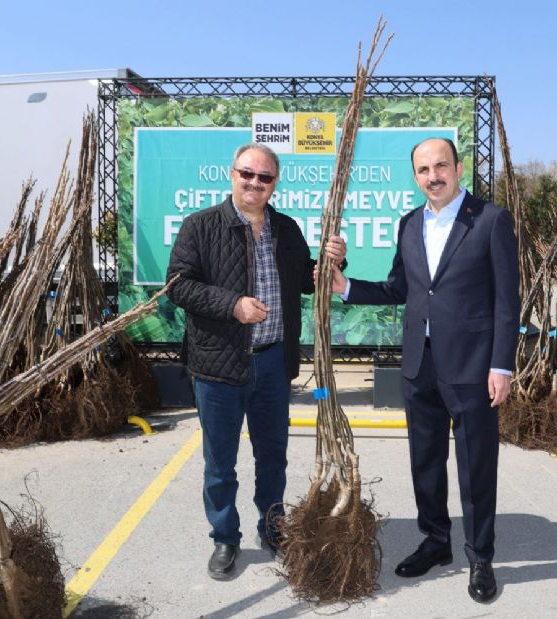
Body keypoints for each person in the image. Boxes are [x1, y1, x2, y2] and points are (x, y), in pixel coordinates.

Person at [330, 137, 520, 603]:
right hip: (420, 362)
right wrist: (346, 285)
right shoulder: (409, 223)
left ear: (458, 168)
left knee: (477, 465)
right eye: (423, 169)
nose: (433, 176)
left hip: (474, 366)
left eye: (441, 166)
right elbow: (401, 287)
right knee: (426, 460)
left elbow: (506, 302)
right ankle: (436, 542)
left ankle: (480, 557)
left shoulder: (491, 220)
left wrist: (501, 365)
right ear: (415, 176)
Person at [167, 143, 346, 581]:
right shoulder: (200, 226)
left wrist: (332, 260)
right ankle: (225, 537)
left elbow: (308, 280)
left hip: (271, 364)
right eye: (247, 173)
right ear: (232, 174)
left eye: (264, 177)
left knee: (273, 456)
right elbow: (178, 285)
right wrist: (232, 305)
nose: (254, 183)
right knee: (220, 462)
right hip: (217, 367)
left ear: (274, 183)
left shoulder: (286, 229)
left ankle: (272, 527)